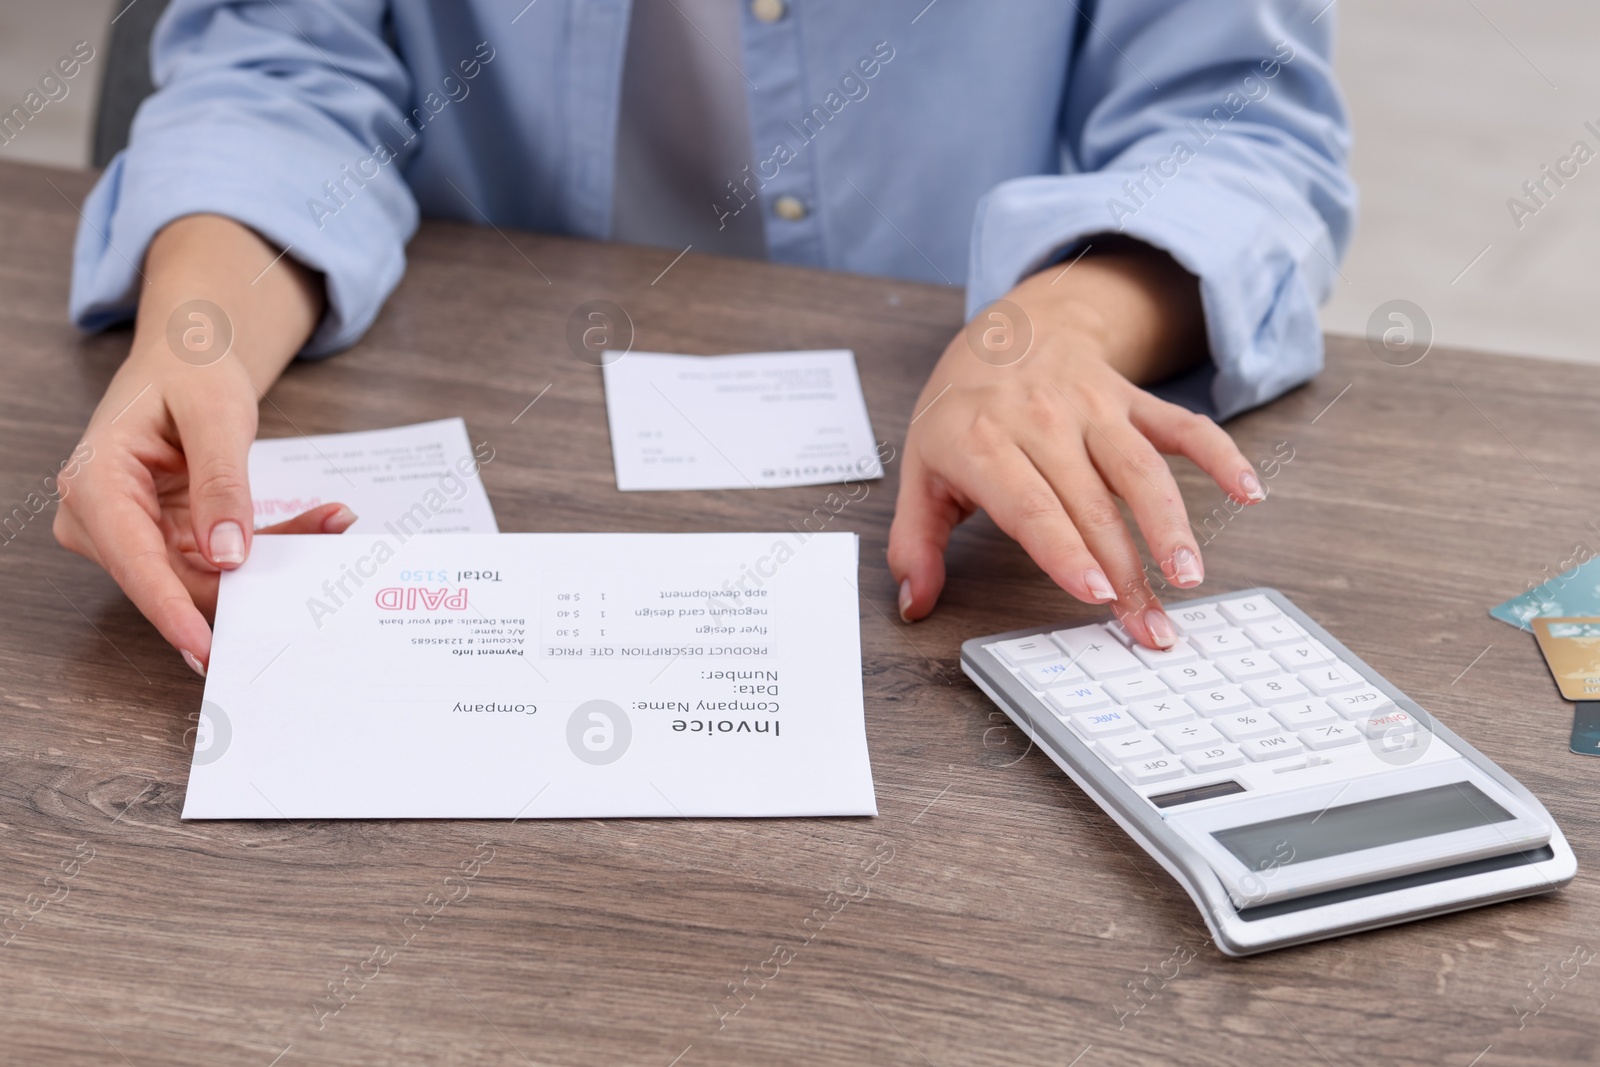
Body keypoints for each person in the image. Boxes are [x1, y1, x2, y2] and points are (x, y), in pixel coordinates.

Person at [58, 0, 1354, 675]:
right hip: (500, 448)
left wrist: (1067, 320)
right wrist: (197, 341)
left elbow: (1240, 128)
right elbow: (282, 71)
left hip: (937, 527)